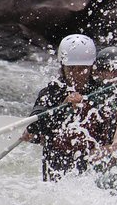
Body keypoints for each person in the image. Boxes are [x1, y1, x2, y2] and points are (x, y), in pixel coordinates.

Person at [25, 34, 106, 181]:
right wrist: (64, 106)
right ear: (62, 67)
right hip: (57, 166)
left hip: (93, 167)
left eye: (83, 69)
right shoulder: (51, 92)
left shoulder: (102, 91)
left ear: (91, 68)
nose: (76, 74)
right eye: (71, 68)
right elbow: (34, 126)